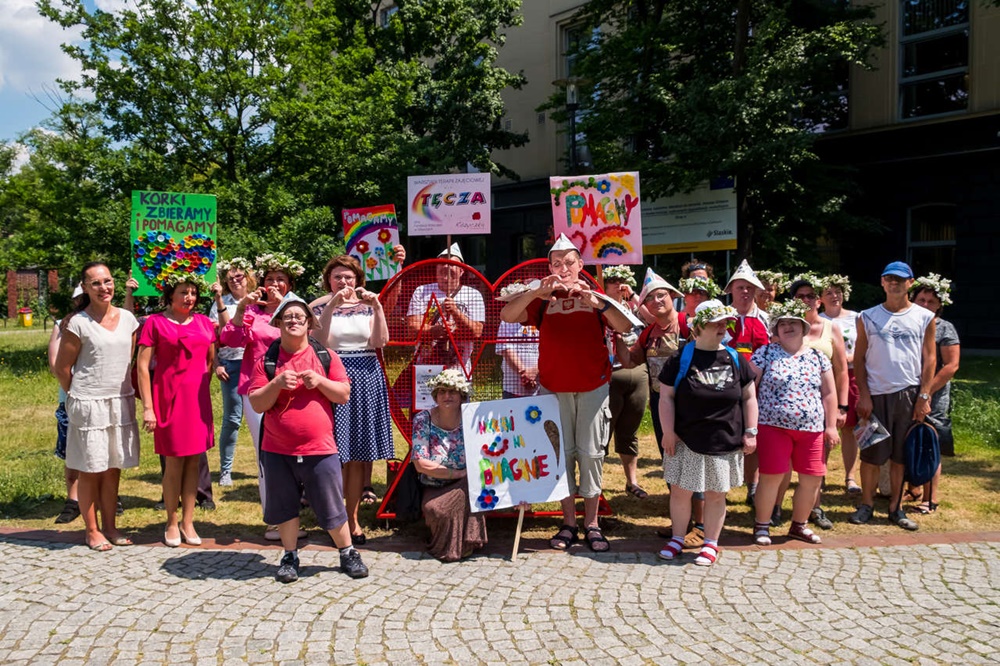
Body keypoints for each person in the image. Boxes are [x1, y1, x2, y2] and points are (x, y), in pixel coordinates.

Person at [500, 234, 632, 552]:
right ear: (549, 267)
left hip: (593, 388)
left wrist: (596, 301)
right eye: (557, 263)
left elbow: (625, 326)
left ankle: (592, 524)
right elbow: (506, 316)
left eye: (569, 262)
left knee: (591, 456)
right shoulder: (542, 301)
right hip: (553, 390)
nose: (563, 269)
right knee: (561, 457)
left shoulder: (596, 296)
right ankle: (568, 523)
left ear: (580, 265)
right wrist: (536, 291)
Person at [248, 293, 369, 582]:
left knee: (331, 503)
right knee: (285, 505)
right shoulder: (267, 361)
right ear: (278, 323)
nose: (293, 321)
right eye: (287, 317)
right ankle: (289, 555)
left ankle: (347, 552)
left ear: (308, 323)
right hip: (277, 448)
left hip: (320, 447)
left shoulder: (325, 356)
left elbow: (344, 394)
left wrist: (321, 382)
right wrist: (276, 383)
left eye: (298, 317)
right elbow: (256, 403)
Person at [656, 300, 758, 565]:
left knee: (716, 493)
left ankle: (711, 543)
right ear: (698, 328)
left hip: (724, 439)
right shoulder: (681, 359)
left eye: (725, 323)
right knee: (680, 491)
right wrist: (668, 432)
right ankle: (678, 538)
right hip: (686, 439)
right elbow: (665, 397)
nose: (723, 327)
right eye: (716, 323)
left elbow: (749, 397)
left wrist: (751, 431)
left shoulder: (735, 358)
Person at [53, 262, 141, 551]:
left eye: (108, 281)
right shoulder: (78, 323)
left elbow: (127, 360)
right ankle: (91, 530)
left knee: (113, 466)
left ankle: (111, 526)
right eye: (96, 283)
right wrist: (78, 396)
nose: (104, 288)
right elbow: (62, 367)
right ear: (85, 288)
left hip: (119, 401)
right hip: (89, 404)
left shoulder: (129, 319)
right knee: (90, 468)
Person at [219, 251, 306, 540]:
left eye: (281, 279)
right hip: (257, 389)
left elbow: (307, 340)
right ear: (262, 282)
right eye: (270, 279)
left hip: (294, 388)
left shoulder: (296, 308)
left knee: (295, 454)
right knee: (266, 455)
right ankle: (274, 519)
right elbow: (230, 339)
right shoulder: (253, 312)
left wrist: (285, 307)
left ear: (289, 283)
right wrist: (242, 308)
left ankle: (294, 514)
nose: (275, 284)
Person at [313, 255, 393, 545]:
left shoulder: (370, 305)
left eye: (348, 277)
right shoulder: (318, 306)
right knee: (330, 452)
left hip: (366, 374)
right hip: (332, 375)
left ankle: (352, 517)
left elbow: (380, 341)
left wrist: (378, 306)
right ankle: (330, 515)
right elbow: (318, 340)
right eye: (337, 277)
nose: (343, 282)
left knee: (358, 453)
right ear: (329, 281)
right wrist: (333, 304)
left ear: (358, 280)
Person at [850, 261, 936, 531]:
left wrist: (924, 395)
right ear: (882, 282)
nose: (894, 283)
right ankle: (866, 505)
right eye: (889, 278)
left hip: (908, 394)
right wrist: (863, 394)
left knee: (900, 455)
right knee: (871, 453)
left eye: (900, 279)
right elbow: (860, 358)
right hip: (876, 394)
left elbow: (930, 358)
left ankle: (895, 508)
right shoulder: (867, 316)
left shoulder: (924, 317)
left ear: (910, 283)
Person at [750, 300, 839, 546]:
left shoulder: (818, 357)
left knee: (812, 478)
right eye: (783, 323)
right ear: (776, 330)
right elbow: (747, 389)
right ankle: (762, 525)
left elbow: (829, 393)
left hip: (811, 429)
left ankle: (799, 525)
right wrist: (748, 425)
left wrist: (830, 426)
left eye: (793, 323)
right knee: (771, 476)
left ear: (804, 326)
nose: (788, 327)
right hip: (772, 426)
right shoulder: (765, 353)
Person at [136, 274, 216, 547]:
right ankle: (171, 521)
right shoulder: (155, 323)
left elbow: (209, 360)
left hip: (196, 401)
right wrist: (149, 407)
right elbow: (142, 366)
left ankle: (188, 521)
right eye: (184, 292)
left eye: (193, 293)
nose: (189, 298)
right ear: (171, 294)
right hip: (168, 398)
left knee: (195, 461)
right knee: (173, 463)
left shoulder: (205, 322)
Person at [770, 274, 849, 530]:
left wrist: (841, 408)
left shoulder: (829, 328)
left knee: (815, 466)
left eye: (810, 295)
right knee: (782, 466)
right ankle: (776, 507)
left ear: (818, 300)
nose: (805, 300)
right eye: (799, 296)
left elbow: (841, 371)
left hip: (817, 411)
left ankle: (814, 508)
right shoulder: (785, 329)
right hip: (782, 412)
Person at [410, 368, 487, 562]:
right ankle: (451, 545)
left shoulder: (471, 419)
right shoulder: (423, 419)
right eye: (442, 391)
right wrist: (456, 474)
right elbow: (420, 463)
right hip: (435, 484)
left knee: (469, 487)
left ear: (461, 396)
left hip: (467, 481)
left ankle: (466, 543)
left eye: (452, 391)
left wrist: (465, 476)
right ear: (435, 396)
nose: (447, 396)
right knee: (436, 510)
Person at [910, 273, 960, 515]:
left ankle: (930, 497)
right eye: (921, 300)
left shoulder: (945, 328)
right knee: (906, 439)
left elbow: (951, 365)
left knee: (929, 443)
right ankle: (913, 487)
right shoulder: (907, 323)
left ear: (940, 304)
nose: (926, 305)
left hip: (934, 393)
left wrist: (927, 392)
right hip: (906, 388)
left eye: (931, 301)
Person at [724, 259, 770, 505]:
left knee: (754, 439)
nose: (745, 292)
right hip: (725, 387)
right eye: (740, 287)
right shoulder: (722, 316)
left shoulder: (766, 319)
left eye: (749, 288)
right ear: (731, 289)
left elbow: (770, 351)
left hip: (758, 387)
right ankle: (722, 487)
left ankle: (753, 487)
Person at [604, 265, 650, 499]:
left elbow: (652, 321)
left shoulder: (634, 306)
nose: (617, 283)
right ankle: (596, 485)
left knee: (629, 430)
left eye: (621, 278)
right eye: (611, 279)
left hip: (637, 373)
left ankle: (632, 482)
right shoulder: (599, 305)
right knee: (603, 432)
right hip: (609, 376)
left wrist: (632, 295)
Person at [209, 257, 256, 487]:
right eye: (231, 278)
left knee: (263, 418)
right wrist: (216, 363)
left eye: (240, 276)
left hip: (256, 364)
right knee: (232, 419)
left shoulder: (259, 300)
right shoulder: (221, 302)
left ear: (248, 277)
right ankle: (225, 471)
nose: (236, 280)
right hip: (231, 365)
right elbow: (216, 337)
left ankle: (267, 467)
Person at [406, 243, 485, 372]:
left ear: (461, 271)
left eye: (453, 265)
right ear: (436, 269)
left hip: (459, 370)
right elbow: (412, 328)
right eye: (442, 264)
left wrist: (455, 312)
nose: (447, 267)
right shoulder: (422, 291)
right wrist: (433, 331)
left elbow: (476, 332)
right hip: (425, 368)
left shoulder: (473, 295)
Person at [818, 274, 862, 495]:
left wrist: (846, 359)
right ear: (821, 298)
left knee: (850, 428)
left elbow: (865, 347)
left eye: (838, 291)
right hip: (823, 378)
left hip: (849, 375)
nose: (835, 296)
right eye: (829, 292)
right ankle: (820, 474)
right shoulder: (816, 320)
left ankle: (850, 477)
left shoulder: (856, 318)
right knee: (823, 427)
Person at [48, 283, 85, 524]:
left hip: (99, 397)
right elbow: (56, 365)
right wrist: (72, 391)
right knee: (72, 452)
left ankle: (109, 498)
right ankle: (73, 501)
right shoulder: (62, 325)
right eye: (80, 298)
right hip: (71, 397)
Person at [495, 288, 540, 399]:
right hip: (512, 388)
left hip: (542, 387)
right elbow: (506, 349)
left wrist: (534, 372)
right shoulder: (508, 319)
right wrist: (524, 374)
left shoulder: (544, 317)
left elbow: (551, 349)